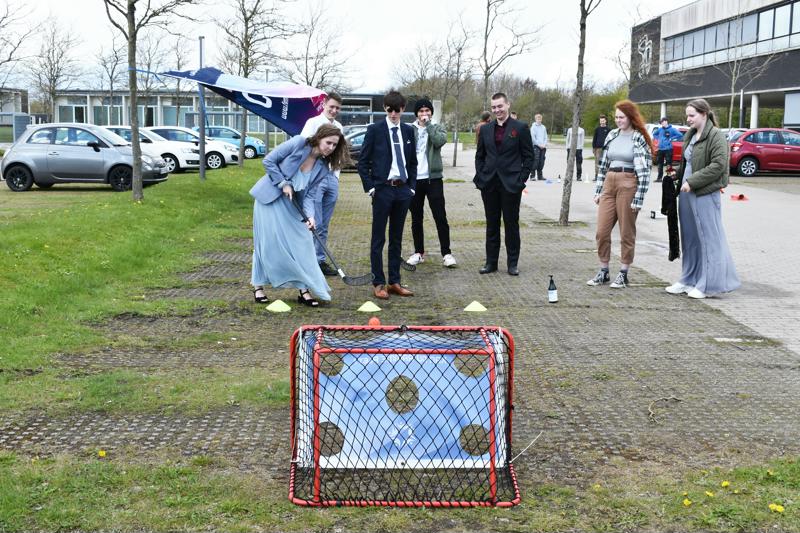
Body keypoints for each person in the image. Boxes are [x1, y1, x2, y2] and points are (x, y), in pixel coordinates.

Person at [250, 124, 350, 306]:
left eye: (335, 145)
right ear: (319, 138)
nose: (331, 148)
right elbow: (269, 161)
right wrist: (283, 183)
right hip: (270, 200)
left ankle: (304, 289)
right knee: (266, 243)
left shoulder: (322, 168)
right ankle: (258, 286)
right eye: (328, 142)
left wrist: (311, 216)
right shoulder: (298, 143)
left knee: (303, 243)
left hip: (292, 205)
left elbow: (310, 195)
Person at [665, 99, 740, 299]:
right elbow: (691, 162)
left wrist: (692, 181)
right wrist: (676, 174)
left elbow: (717, 166)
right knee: (690, 238)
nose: (687, 119)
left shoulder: (716, 136)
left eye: (692, 115)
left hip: (704, 193)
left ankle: (708, 284)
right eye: (687, 115)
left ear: (704, 114)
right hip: (686, 193)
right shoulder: (690, 134)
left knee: (709, 240)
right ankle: (688, 279)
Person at [587, 99, 655, 289]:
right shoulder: (612, 135)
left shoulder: (639, 138)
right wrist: (598, 190)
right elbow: (603, 165)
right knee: (602, 231)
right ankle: (604, 270)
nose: (618, 120)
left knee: (626, 231)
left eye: (621, 117)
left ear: (630, 117)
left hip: (628, 182)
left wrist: (639, 198)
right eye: (616, 117)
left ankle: (624, 273)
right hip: (609, 181)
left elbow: (645, 170)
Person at [358, 90, 418, 300]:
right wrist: (371, 188)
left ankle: (394, 281)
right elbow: (363, 162)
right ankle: (378, 282)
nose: (393, 114)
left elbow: (412, 162)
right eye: (389, 109)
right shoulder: (375, 129)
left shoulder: (409, 131)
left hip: (403, 190)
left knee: (396, 238)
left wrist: (411, 188)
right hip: (382, 189)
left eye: (397, 110)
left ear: (403, 109)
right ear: (385, 109)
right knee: (378, 238)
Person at [474, 92, 534, 276]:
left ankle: (512, 264)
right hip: (489, 183)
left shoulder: (521, 128)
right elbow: (480, 156)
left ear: (507, 105)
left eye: (500, 106)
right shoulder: (485, 129)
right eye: (494, 107)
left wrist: (520, 179)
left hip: (511, 184)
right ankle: (491, 263)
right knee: (491, 224)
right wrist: (482, 176)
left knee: (511, 224)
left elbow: (529, 157)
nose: (497, 110)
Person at [406, 97, 456, 268]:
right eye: (421, 111)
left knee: (440, 216)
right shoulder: (408, 129)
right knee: (416, 218)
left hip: (433, 178)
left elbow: (439, 141)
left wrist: (428, 126)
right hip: (414, 179)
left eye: (427, 111)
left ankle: (447, 253)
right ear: (416, 113)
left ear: (431, 113)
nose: (424, 114)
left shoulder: (436, 128)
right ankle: (419, 252)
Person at [299, 92, 344, 277]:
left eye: (337, 108)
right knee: (313, 221)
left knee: (324, 223)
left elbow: (339, 152)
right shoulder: (312, 123)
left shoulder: (339, 126)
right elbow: (304, 147)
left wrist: (336, 176)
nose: (334, 110)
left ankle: (319, 260)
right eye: (331, 106)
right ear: (324, 104)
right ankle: (307, 260)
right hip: (315, 179)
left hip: (331, 177)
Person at [652, 117, 683, 182]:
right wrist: (658, 139)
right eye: (661, 123)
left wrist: (672, 138)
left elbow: (680, 135)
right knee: (660, 164)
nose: (661, 124)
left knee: (669, 164)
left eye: (662, 122)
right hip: (660, 149)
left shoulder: (672, 129)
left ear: (666, 122)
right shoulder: (660, 129)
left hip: (668, 149)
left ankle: (669, 178)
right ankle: (659, 178)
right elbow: (654, 134)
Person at [530, 113, 548, 180]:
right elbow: (533, 138)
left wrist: (544, 144)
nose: (539, 119)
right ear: (535, 119)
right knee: (535, 161)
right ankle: (532, 176)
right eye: (538, 118)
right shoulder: (533, 127)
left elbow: (546, 137)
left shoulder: (543, 127)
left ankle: (540, 176)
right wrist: (539, 145)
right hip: (536, 146)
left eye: (540, 118)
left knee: (541, 161)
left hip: (543, 147)